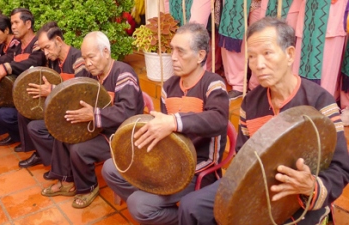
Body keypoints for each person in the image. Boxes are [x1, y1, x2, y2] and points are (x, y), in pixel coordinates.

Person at [178, 17, 349, 225]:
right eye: (251, 56)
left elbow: (340, 169)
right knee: (191, 208)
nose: (258, 65)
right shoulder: (250, 102)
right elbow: (244, 155)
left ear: (290, 55)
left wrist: (310, 186)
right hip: (258, 186)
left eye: (267, 53)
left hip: (299, 197)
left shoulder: (320, 102)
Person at [102, 23, 229, 224]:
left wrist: (174, 122)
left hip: (198, 169)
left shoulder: (213, 84)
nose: (173, 57)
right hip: (169, 162)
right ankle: (160, 203)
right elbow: (163, 133)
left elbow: (219, 119)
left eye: (181, 51)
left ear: (200, 55)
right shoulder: (168, 87)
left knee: (139, 204)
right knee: (110, 167)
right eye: (172, 49)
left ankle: (179, 216)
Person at [40, 31, 144, 209]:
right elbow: (77, 94)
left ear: (106, 52)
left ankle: (88, 187)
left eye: (91, 57)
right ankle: (66, 181)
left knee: (79, 149)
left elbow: (128, 111)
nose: (87, 63)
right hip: (99, 127)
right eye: (84, 58)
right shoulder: (92, 74)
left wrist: (94, 115)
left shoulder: (123, 74)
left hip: (120, 134)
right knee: (63, 133)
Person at [17, 21, 89, 170]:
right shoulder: (53, 62)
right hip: (61, 109)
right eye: (42, 49)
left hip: (76, 114)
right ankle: (50, 158)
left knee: (35, 127)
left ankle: (64, 165)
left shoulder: (79, 60)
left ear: (58, 41)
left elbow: (79, 94)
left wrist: (52, 89)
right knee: (24, 114)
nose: (45, 53)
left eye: (47, 47)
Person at [0, 8, 46, 147]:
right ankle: (15, 135)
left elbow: (34, 62)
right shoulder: (17, 46)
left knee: (6, 114)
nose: (13, 27)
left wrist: (7, 67)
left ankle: (29, 143)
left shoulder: (37, 44)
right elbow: (7, 59)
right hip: (18, 92)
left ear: (28, 24)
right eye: (12, 23)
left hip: (33, 96)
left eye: (16, 22)